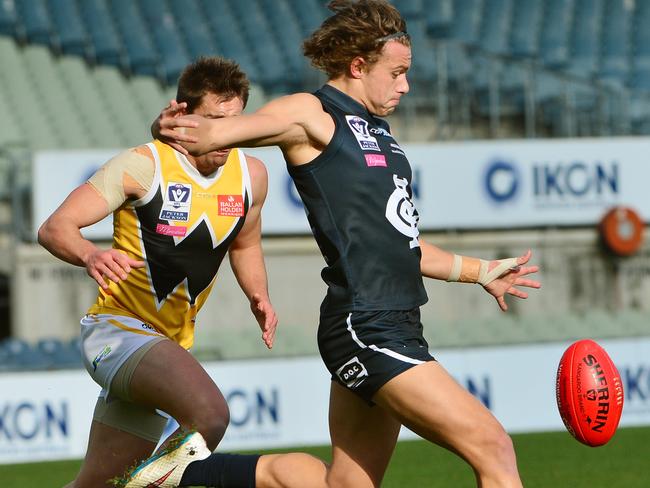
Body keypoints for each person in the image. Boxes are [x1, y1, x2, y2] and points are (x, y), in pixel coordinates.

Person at [137, 1, 541, 487]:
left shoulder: (383, 136)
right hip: (366, 325)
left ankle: (182, 473)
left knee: (344, 485)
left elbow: (403, 244)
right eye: (396, 73)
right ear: (357, 66)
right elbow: (215, 135)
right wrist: (172, 127)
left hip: (399, 321)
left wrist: (480, 271)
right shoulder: (311, 114)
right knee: (494, 447)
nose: (405, 85)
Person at [37, 57, 281, 487]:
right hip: (116, 331)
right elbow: (54, 228)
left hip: (168, 345)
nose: (226, 131)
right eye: (213, 119)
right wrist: (90, 256)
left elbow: (246, 241)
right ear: (183, 116)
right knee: (210, 414)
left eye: (235, 120)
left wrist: (257, 294)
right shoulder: (143, 165)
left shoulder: (252, 175)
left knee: (94, 485)